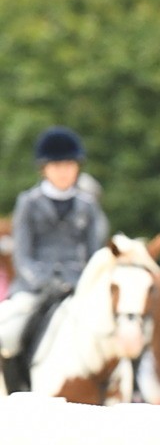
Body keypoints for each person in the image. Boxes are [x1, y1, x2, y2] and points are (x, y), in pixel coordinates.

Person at [0, 127, 109, 390]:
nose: (63, 171)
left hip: (77, 286)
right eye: (56, 165)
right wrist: (42, 280)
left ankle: (132, 389)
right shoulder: (28, 202)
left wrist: (84, 282)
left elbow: (95, 254)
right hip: (35, 286)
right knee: (8, 334)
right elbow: (22, 254)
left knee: (121, 330)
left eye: (69, 164)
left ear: (77, 167)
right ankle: (17, 391)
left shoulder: (88, 205)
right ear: (44, 168)